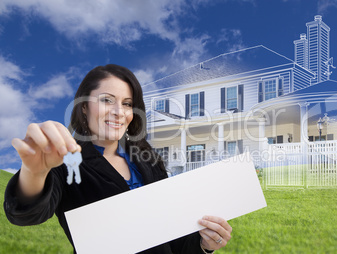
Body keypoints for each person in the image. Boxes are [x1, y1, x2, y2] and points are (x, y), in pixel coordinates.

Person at [3, 64, 232, 253]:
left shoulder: (147, 158)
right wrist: (35, 171)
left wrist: (204, 245)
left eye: (127, 104)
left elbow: (173, 238)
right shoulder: (64, 160)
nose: (118, 112)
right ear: (84, 106)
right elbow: (26, 214)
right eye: (107, 100)